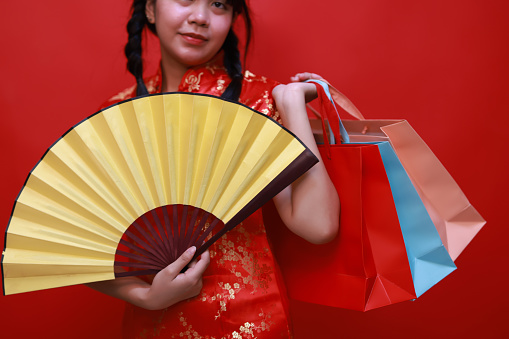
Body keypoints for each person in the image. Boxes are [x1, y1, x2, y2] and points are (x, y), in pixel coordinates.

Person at [88, 0, 339, 337]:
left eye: (218, 4)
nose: (199, 17)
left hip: (250, 321)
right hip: (152, 324)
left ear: (234, 17)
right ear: (150, 9)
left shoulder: (260, 101)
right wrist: (146, 296)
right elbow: (80, 244)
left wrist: (291, 105)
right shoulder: (115, 115)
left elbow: (318, 226)